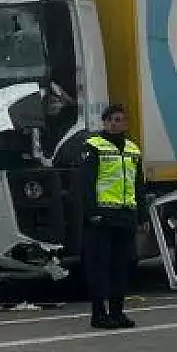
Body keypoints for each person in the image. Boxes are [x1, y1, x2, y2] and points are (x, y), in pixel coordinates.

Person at [78, 103, 142, 330]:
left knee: (121, 268)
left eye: (120, 120)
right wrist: (92, 213)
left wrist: (141, 215)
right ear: (105, 122)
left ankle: (117, 313)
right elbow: (86, 184)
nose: (116, 124)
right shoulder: (93, 146)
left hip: (124, 217)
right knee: (99, 268)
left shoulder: (133, 149)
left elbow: (138, 185)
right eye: (112, 120)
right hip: (101, 218)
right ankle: (98, 314)